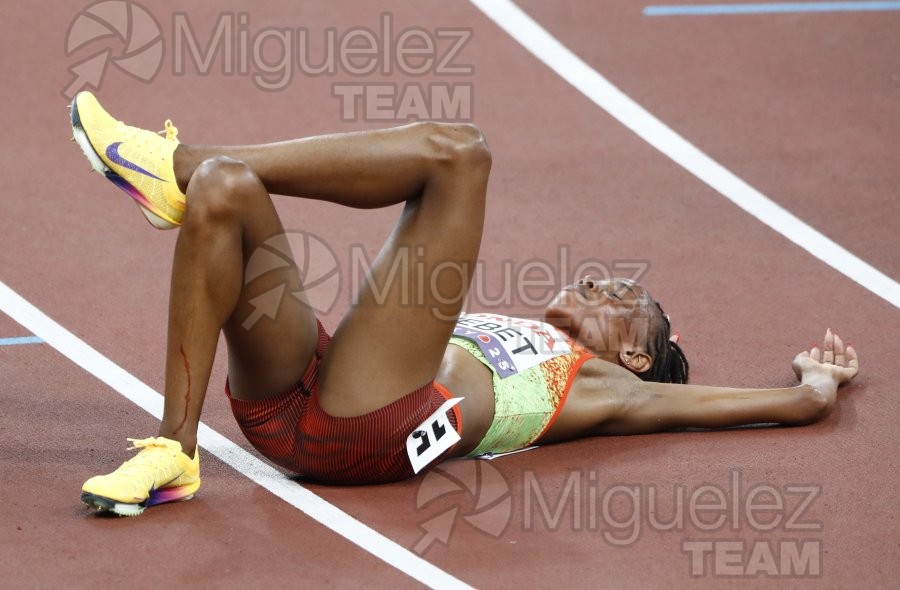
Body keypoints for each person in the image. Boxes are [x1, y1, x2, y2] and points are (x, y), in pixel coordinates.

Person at [70, 91, 859, 516]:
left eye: (623, 298)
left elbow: (768, 406)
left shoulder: (607, 388)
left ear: (635, 353)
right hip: (294, 398)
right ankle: (175, 450)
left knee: (460, 154)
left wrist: (814, 387)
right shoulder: (516, 330)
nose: (600, 282)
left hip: (370, 431)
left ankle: (173, 162)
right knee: (226, 192)